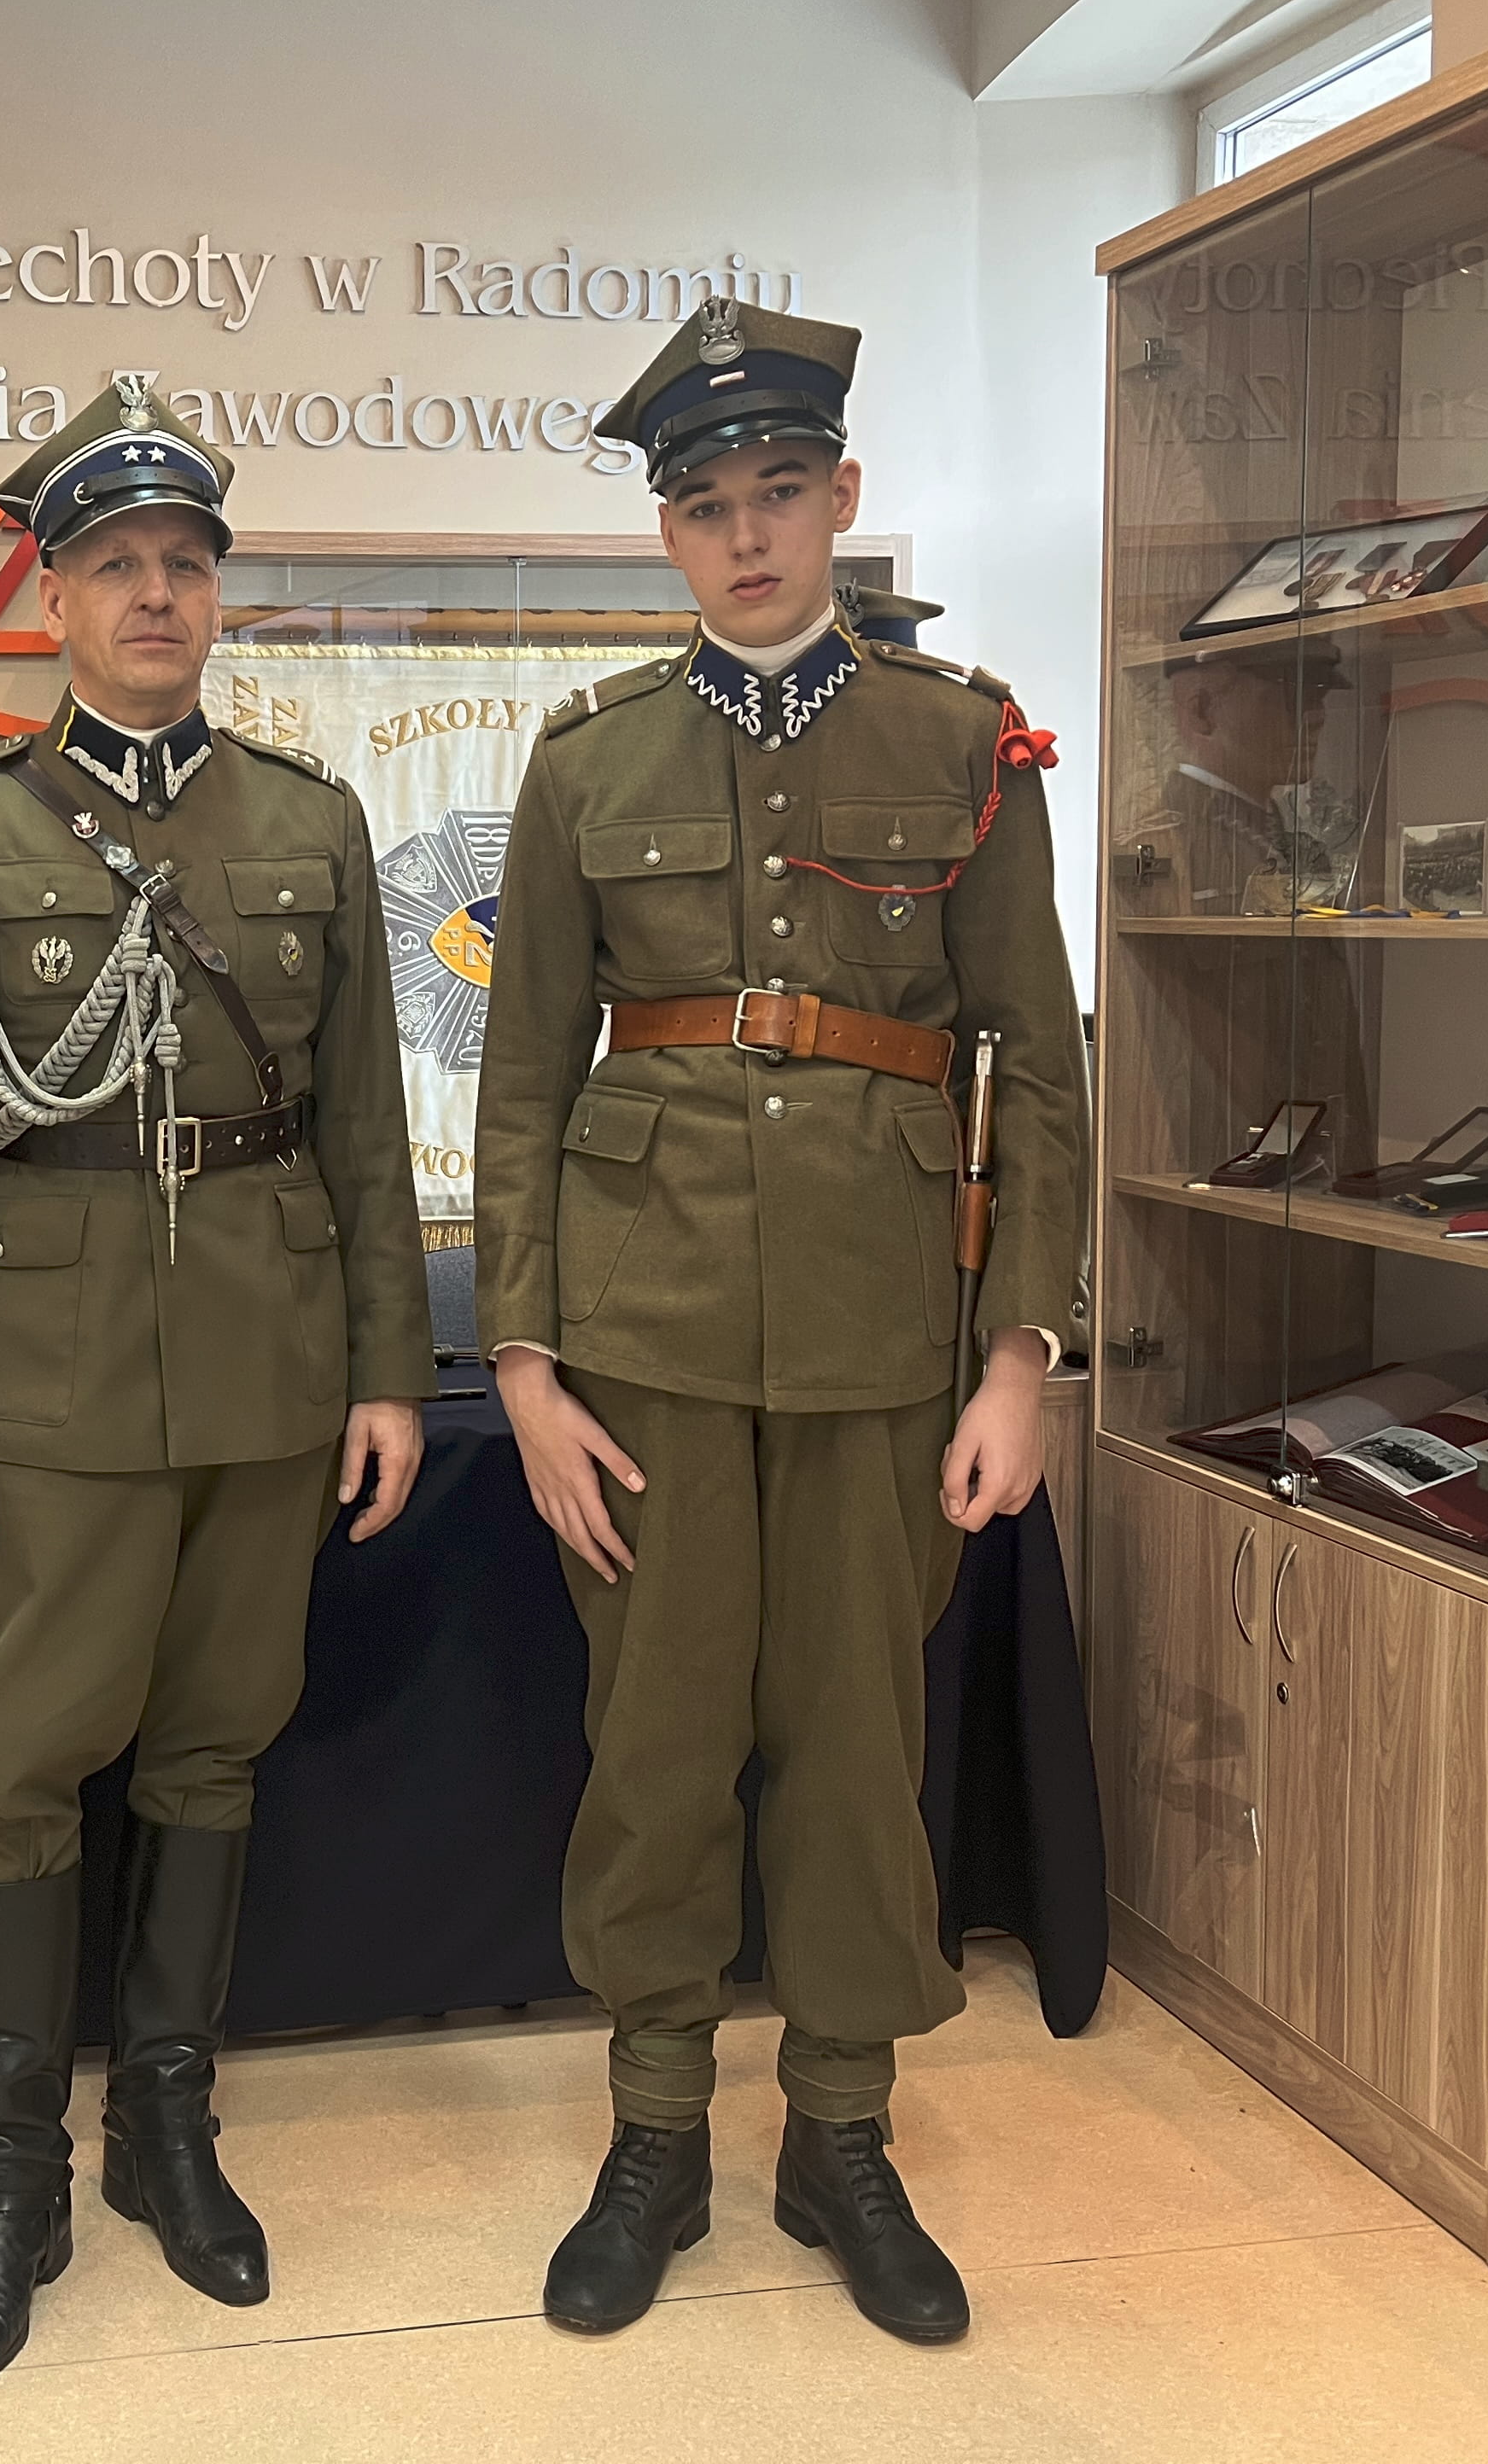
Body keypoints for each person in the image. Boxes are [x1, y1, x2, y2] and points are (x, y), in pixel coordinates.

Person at [472, 300, 1087, 2345]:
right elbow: (524, 1085)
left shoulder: (959, 741)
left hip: (879, 1333)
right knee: (654, 1746)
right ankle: (655, 2129)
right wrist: (526, 1367)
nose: (745, 536)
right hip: (642, 1331)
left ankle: (841, 2131)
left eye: (778, 494)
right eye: (706, 506)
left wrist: (1023, 1356)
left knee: (853, 1749)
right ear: (668, 533)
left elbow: (1040, 1064)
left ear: (842, 499)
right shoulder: (590, 759)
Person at [0, 377, 434, 2393]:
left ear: (216, 592)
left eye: (186, 563)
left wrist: (387, 1370)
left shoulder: (309, 822)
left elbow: (364, 1131)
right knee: (16, 1770)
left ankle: (167, 2129)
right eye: (116, 565)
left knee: (210, 1755)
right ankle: (10, 2171)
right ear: (54, 596)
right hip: (41, 1376)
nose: (157, 595)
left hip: (266, 1367)